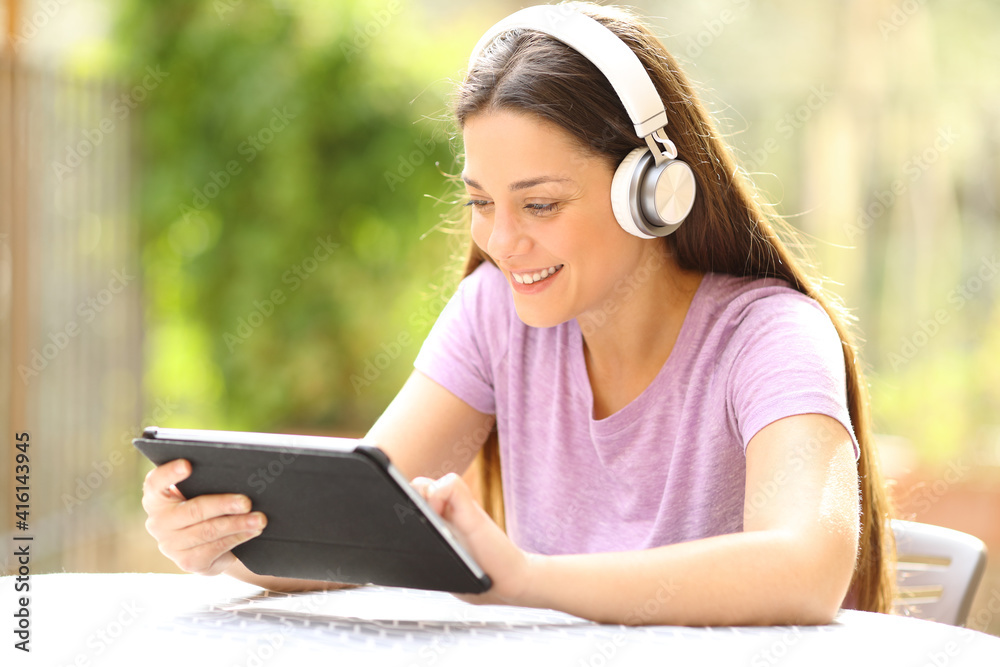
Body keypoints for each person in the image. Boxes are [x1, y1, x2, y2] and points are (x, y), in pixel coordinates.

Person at [142, 1, 895, 626]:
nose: (501, 243)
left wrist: (528, 579)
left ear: (652, 192)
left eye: (540, 204)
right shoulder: (495, 315)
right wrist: (226, 542)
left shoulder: (770, 336)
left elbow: (806, 569)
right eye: (480, 203)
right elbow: (359, 525)